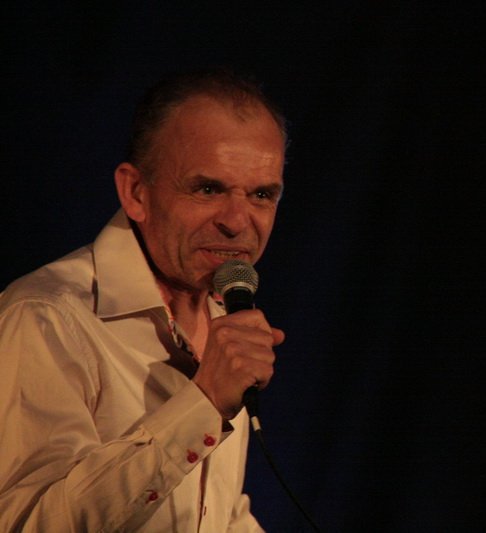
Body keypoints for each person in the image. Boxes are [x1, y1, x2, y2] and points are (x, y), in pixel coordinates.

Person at [0, 68, 288, 531]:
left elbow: (216, 514)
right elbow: (28, 524)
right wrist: (205, 402)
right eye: (208, 189)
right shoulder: (46, 317)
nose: (237, 221)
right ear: (136, 193)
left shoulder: (223, 315)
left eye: (261, 194)